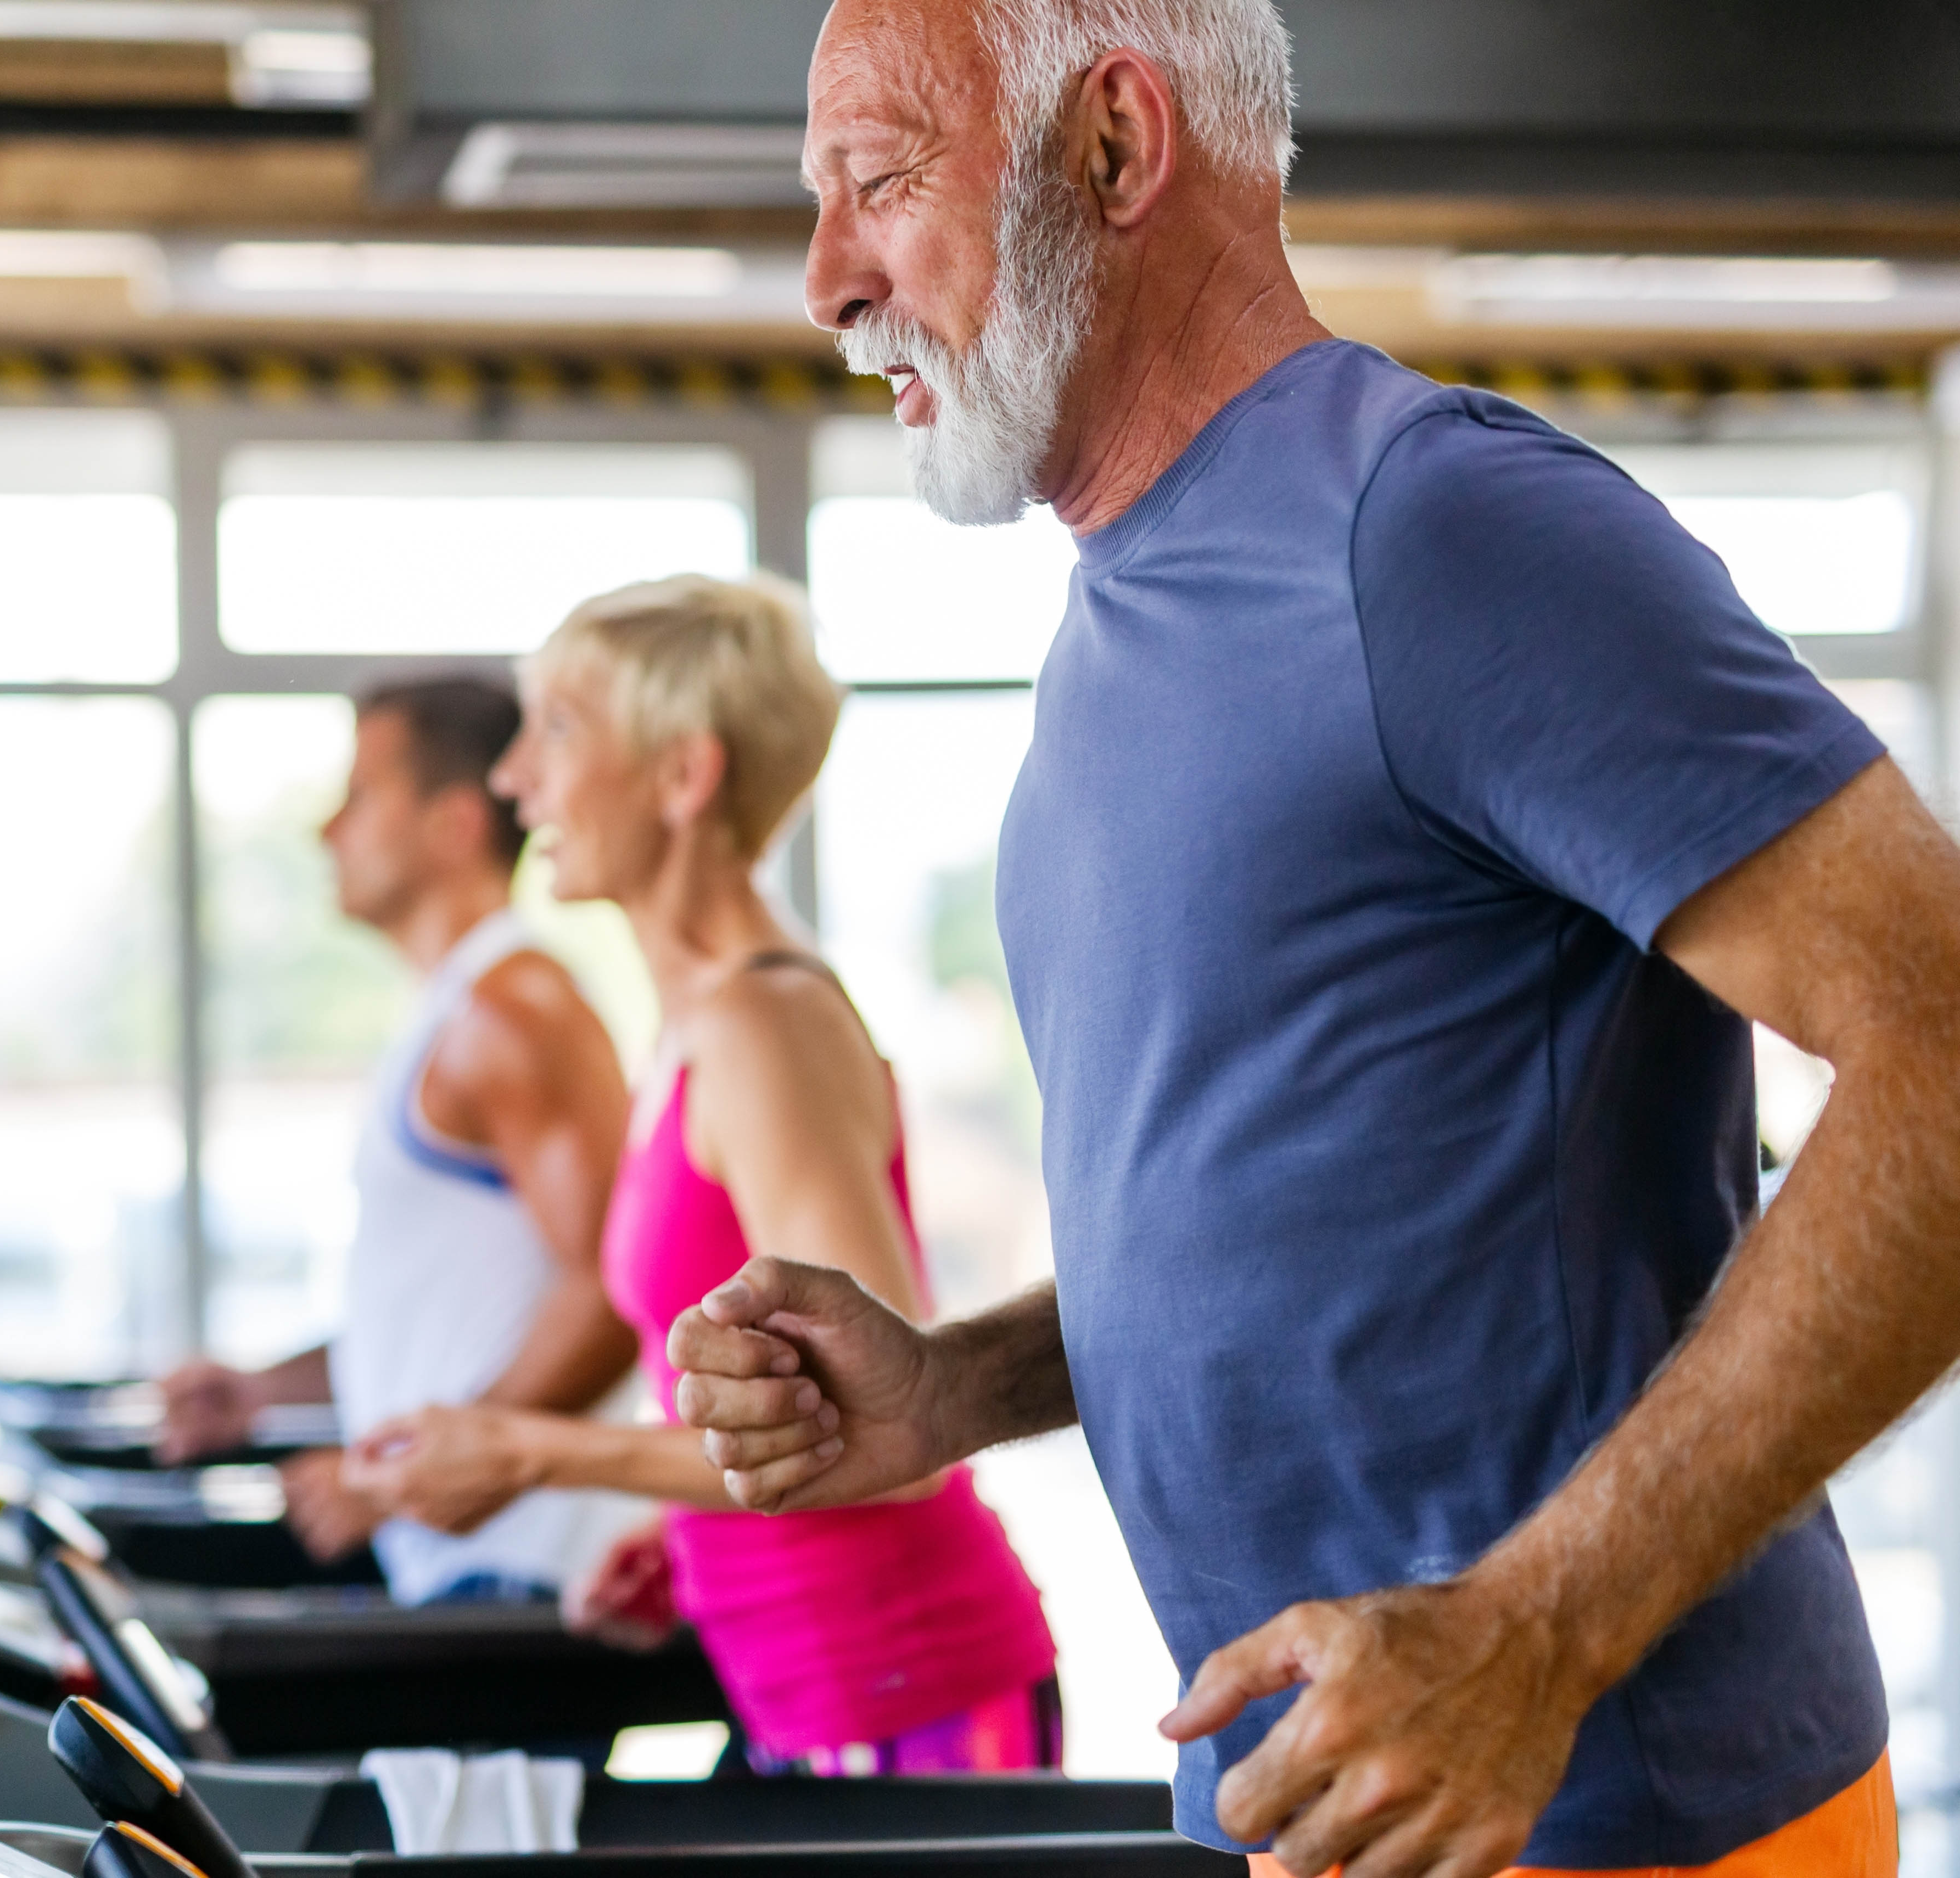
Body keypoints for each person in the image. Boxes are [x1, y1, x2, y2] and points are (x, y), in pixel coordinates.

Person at [670, 2, 1960, 1874]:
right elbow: (1321, 1229)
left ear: (1114, 147)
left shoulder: (1431, 528)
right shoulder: (1114, 629)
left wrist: (1539, 1629)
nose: (823, 278)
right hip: (1319, 1805)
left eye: (878, 183)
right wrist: (959, 1387)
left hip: (1618, 1811)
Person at [341, 574, 1063, 1776]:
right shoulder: (691, 1024)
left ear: (682, 777)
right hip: (802, 1684)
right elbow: (774, 1414)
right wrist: (675, 1535)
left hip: (907, 1686)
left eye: (557, 731)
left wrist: (530, 1451)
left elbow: (895, 1433)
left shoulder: (757, 1025)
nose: (515, 780)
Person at [155, 677, 645, 1605]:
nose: (327, 830)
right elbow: (434, 1320)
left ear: (453, 824)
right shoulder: (453, 1010)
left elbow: (613, 1290)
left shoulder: (513, 1011)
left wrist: (408, 1473)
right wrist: (266, 1391)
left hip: (523, 1572)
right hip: (459, 1560)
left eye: (361, 795)